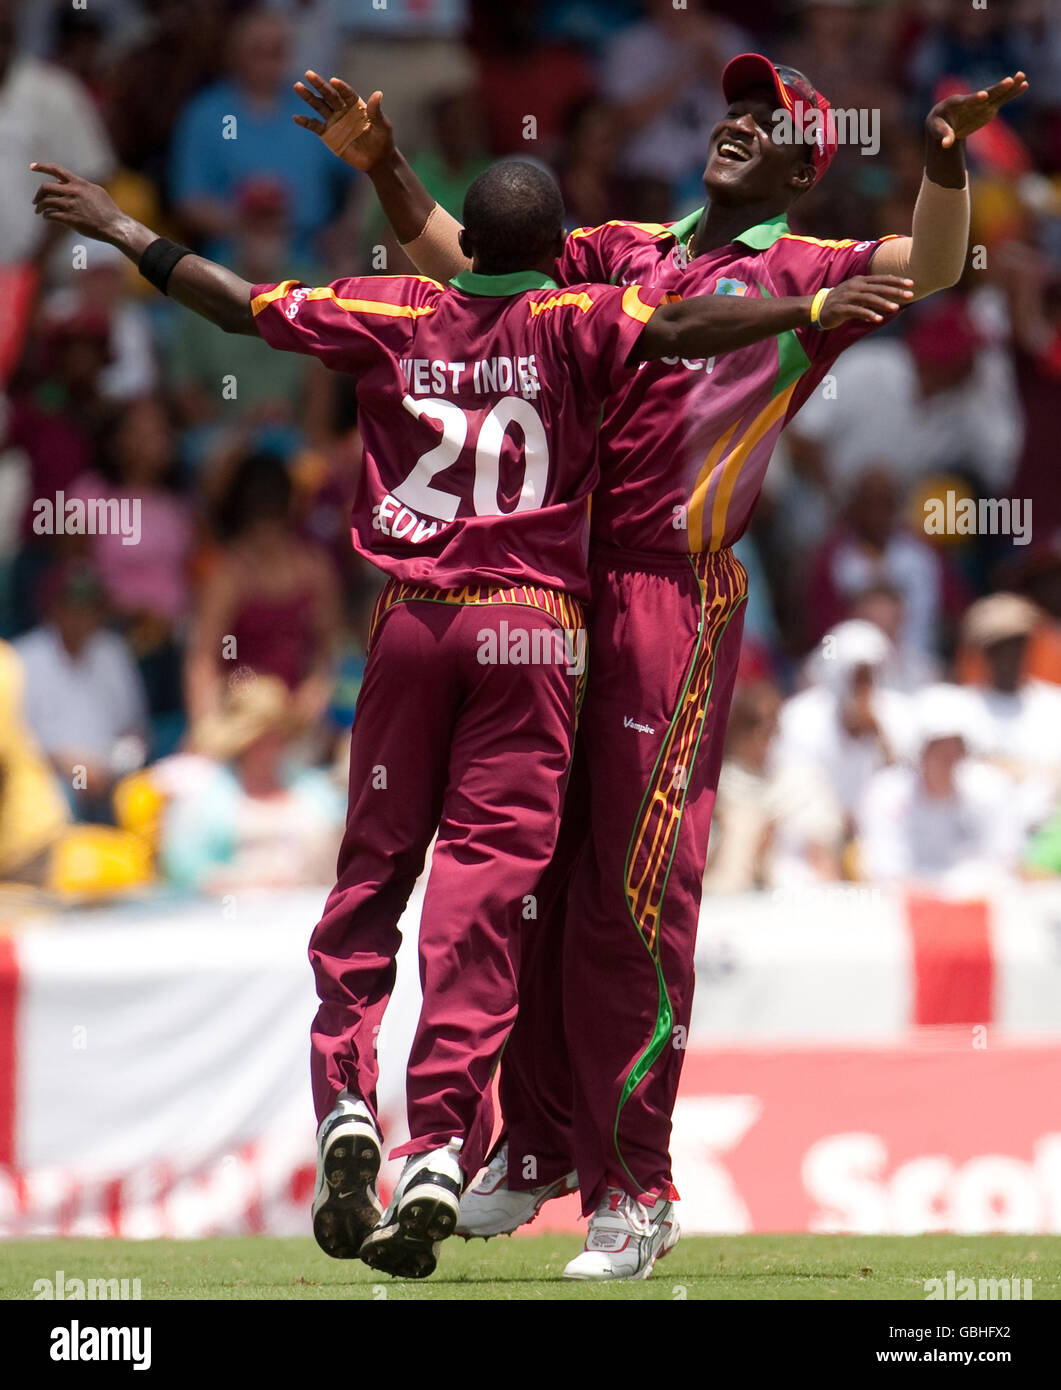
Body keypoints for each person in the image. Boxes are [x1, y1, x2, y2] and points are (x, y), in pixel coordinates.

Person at [28, 151, 905, 1278]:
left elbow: (234, 303)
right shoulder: (582, 315)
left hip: (408, 626)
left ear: (463, 248)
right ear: (552, 254)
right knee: (490, 887)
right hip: (537, 626)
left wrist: (119, 223)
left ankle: (350, 1093)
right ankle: (442, 1135)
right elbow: (683, 334)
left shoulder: (389, 309)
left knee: (374, 877)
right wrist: (812, 306)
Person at [304, 55, 1026, 1277]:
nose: (737, 130)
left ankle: (634, 1191)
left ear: (805, 166)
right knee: (528, 871)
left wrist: (946, 162)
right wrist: (383, 166)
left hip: (670, 598)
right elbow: (468, 268)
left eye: (768, 125)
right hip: (553, 588)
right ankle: (529, 1146)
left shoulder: (811, 270)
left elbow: (941, 265)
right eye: (732, 113)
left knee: (633, 901)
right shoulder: (623, 247)